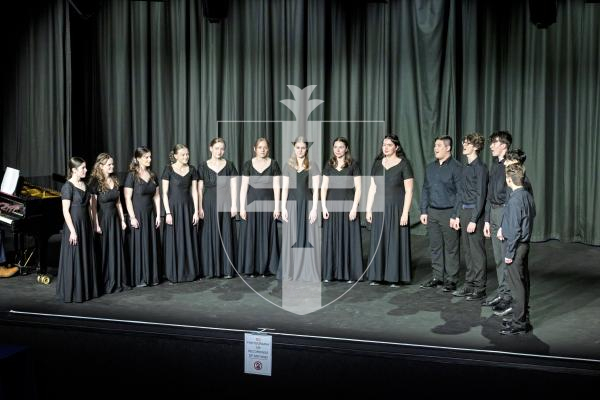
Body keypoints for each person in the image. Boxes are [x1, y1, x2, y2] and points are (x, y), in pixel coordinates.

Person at [366, 135, 414, 286]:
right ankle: (377, 276)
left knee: (394, 241)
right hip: (379, 209)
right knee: (379, 241)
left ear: (396, 147)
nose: (385, 148)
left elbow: (409, 191)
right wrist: (368, 209)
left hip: (396, 209)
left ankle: (394, 277)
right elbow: (372, 188)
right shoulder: (377, 164)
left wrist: (405, 212)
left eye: (389, 145)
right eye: (384, 145)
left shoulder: (404, 164)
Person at [419, 136, 462, 292]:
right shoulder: (430, 167)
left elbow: (460, 194)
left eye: (438, 146)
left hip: (449, 212)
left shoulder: (457, 168)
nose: (435, 148)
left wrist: (456, 215)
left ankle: (451, 279)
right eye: (435, 145)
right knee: (435, 246)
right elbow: (425, 189)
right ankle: (438, 277)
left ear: (448, 148)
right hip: (432, 212)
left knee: (451, 247)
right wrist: (423, 210)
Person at [498, 164, 536, 335]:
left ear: (508, 180)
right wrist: (503, 229)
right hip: (524, 245)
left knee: (516, 286)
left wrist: (509, 253)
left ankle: (519, 322)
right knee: (521, 282)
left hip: (516, 246)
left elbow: (515, 230)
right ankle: (520, 317)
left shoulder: (514, 200)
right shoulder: (526, 195)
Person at [56, 157, 100, 302]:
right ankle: (74, 292)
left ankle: (86, 290)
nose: (86, 170)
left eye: (85, 167)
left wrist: (94, 224)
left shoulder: (85, 186)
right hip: (73, 226)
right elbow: (65, 211)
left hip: (85, 224)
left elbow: (90, 208)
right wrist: (73, 231)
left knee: (85, 255)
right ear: (74, 170)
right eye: (83, 168)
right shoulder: (67, 187)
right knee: (74, 257)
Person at [321, 137, 363, 283]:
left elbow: (358, 188)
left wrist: (354, 207)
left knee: (348, 240)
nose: (337, 150)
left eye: (341, 147)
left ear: (346, 149)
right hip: (332, 207)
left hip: (348, 207)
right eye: (335, 147)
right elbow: (324, 187)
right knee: (331, 239)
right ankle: (330, 273)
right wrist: (324, 206)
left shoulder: (353, 165)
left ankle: (349, 274)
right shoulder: (329, 165)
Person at [452, 133, 488, 300]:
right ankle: (469, 284)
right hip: (464, 212)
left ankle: (480, 288)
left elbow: (481, 195)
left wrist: (474, 219)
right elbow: (460, 193)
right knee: (467, 251)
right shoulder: (465, 167)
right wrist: (457, 215)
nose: (464, 145)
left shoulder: (480, 168)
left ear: (475, 147)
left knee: (477, 252)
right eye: (463, 142)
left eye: (467, 143)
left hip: (475, 213)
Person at [238, 137, 281, 277]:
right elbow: (243, 187)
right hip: (251, 204)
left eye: (265, 147)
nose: (262, 150)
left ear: (268, 149)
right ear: (254, 149)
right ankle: (251, 268)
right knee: (251, 234)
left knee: (267, 234)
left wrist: (277, 206)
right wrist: (242, 207)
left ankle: (267, 267)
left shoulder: (274, 164)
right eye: (260, 147)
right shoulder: (248, 165)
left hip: (268, 205)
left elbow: (276, 187)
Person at [280, 136, 320, 282]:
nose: (300, 150)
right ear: (294, 148)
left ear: (306, 149)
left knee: (307, 237)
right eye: (297, 147)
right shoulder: (288, 166)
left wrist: (315, 209)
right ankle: (291, 271)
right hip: (291, 205)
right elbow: (284, 189)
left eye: (303, 147)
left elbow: (316, 190)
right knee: (292, 237)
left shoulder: (313, 166)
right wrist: (283, 207)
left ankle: (306, 271)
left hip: (307, 205)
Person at [197, 138, 238, 279]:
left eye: (222, 148)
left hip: (225, 202)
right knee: (209, 234)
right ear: (210, 148)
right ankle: (210, 270)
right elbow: (199, 188)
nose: (219, 151)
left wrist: (234, 204)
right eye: (216, 148)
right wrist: (199, 207)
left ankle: (226, 269)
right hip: (208, 203)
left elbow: (234, 186)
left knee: (225, 232)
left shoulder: (230, 165)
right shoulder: (203, 166)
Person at [482, 131, 513, 314]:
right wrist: (487, 220)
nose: (491, 146)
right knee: (498, 257)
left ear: (504, 145)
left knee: (506, 256)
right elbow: (488, 194)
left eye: (494, 142)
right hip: (493, 212)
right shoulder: (495, 165)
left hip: (503, 212)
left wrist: (504, 223)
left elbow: (511, 196)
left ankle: (509, 297)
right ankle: (502, 293)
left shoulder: (509, 165)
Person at [90, 153, 129, 293]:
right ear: (101, 166)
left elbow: (118, 203)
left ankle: (118, 280)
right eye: (109, 165)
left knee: (116, 249)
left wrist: (123, 220)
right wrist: (96, 224)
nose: (112, 166)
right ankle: (106, 282)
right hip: (103, 220)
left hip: (115, 219)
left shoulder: (115, 180)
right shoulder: (95, 183)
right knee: (106, 250)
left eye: (112, 164)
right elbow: (93, 207)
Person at [162, 144, 200, 283]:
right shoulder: (168, 170)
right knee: (175, 239)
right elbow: (164, 193)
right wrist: (167, 212)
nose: (186, 157)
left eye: (187, 154)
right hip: (173, 209)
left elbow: (194, 191)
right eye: (183, 154)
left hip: (187, 208)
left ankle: (189, 272)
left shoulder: (192, 170)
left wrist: (196, 211)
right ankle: (174, 273)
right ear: (176, 156)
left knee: (188, 238)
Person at [124, 147, 161, 287]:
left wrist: (158, 215)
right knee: (140, 245)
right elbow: (127, 198)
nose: (149, 160)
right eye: (146, 157)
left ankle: (152, 277)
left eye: (150, 157)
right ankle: (140, 278)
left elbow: (157, 196)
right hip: (138, 214)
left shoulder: (152, 174)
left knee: (151, 243)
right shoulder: (131, 175)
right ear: (138, 158)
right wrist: (132, 217)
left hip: (150, 214)